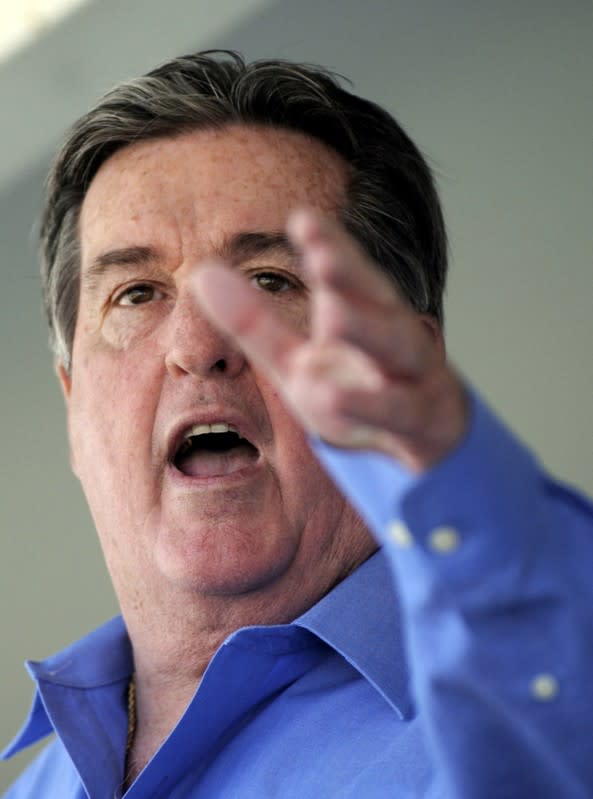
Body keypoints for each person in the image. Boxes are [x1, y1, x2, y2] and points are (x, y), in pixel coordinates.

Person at [1, 50, 591, 798]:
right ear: (73, 402)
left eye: (269, 281)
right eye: (137, 292)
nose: (197, 346)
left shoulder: (537, 714)